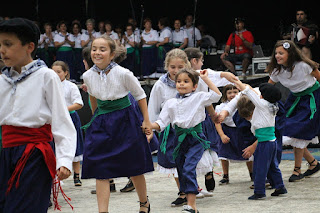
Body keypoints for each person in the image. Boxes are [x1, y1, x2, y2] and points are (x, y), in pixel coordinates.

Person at [0, 18, 76, 212]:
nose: (2, 50)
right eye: (0, 44)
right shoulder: (3, 79)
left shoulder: (46, 76)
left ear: (29, 46)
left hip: (33, 153)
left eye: (8, 44)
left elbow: (61, 119)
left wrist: (65, 159)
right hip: (5, 151)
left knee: (26, 207)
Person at [81, 35, 153, 213]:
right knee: (100, 167)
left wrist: (146, 120)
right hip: (101, 121)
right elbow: (92, 96)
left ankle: (144, 203)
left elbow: (140, 95)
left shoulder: (123, 73)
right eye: (94, 49)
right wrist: (95, 117)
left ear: (112, 54)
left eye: (102, 49)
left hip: (125, 119)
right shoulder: (87, 75)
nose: (97, 52)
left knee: (134, 165)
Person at [150, 68, 222, 213]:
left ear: (194, 86)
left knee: (189, 168)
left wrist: (206, 79)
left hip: (195, 138)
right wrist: (148, 126)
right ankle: (188, 200)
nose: (181, 84)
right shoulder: (170, 103)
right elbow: (161, 123)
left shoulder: (200, 96)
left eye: (186, 81)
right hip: (179, 140)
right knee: (182, 170)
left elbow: (217, 95)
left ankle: (191, 205)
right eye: (178, 81)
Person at [185, 47, 238, 191]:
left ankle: (207, 173)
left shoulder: (201, 74)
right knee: (188, 151)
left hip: (201, 117)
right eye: (201, 61)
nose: (202, 64)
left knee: (205, 148)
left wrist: (223, 74)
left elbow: (208, 79)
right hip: (184, 120)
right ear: (194, 60)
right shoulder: (178, 78)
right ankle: (194, 185)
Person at [266, 40, 320, 182]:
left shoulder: (303, 66)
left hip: (311, 98)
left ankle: (297, 170)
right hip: (294, 99)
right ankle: (313, 163)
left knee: (297, 132)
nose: (277, 56)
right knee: (289, 131)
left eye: (281, 53)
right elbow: (267, 89)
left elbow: (319, 77)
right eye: (276, 53)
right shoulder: (277, 70)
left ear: (290, 54)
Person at [231, 78, 287, 200]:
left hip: (264, 142)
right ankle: (280, 186)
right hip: (272, 141)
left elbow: (249, 92)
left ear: (263, 97)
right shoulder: (273, 105)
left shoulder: (262, 105)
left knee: (260, 167)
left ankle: (259, 191)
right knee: (272, 166)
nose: (259, 95)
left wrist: (238, 83)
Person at [52, 61, 84, 187]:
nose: (56, 74)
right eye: (53, 72)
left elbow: (79, 104)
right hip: (55, 120)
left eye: (59, 72)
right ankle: (56, 175)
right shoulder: (49, 86)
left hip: (70, 118)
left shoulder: (71, 86)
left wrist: (63, 109)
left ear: (65, 73)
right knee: (55, 146)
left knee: (74, 145)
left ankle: (77, 175)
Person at [214, 84, 253, 184]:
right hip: (227, 131)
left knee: (248, 153)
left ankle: (253, 174)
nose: (232, 95)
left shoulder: (245, 104)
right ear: (225, 95)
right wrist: (222, 135)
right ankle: (226, 176)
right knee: (224, 154)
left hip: (242, 131)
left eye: (235, 92)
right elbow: (217, 122)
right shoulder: (221, 107)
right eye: (229, 93)